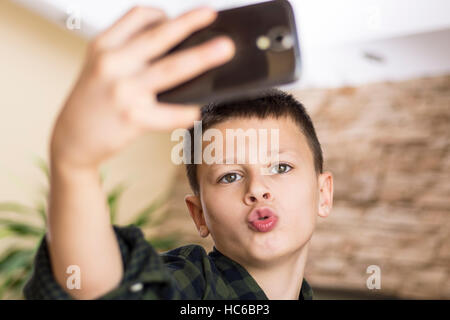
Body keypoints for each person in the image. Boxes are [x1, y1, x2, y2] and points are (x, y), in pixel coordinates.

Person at [23, 5, 333, 300]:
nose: (257, 189)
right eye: (230, 176)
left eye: (280, 167)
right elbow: (98, 289)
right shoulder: (190, 283)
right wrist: (74, 165)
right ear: (199, 215)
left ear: (323, 194)